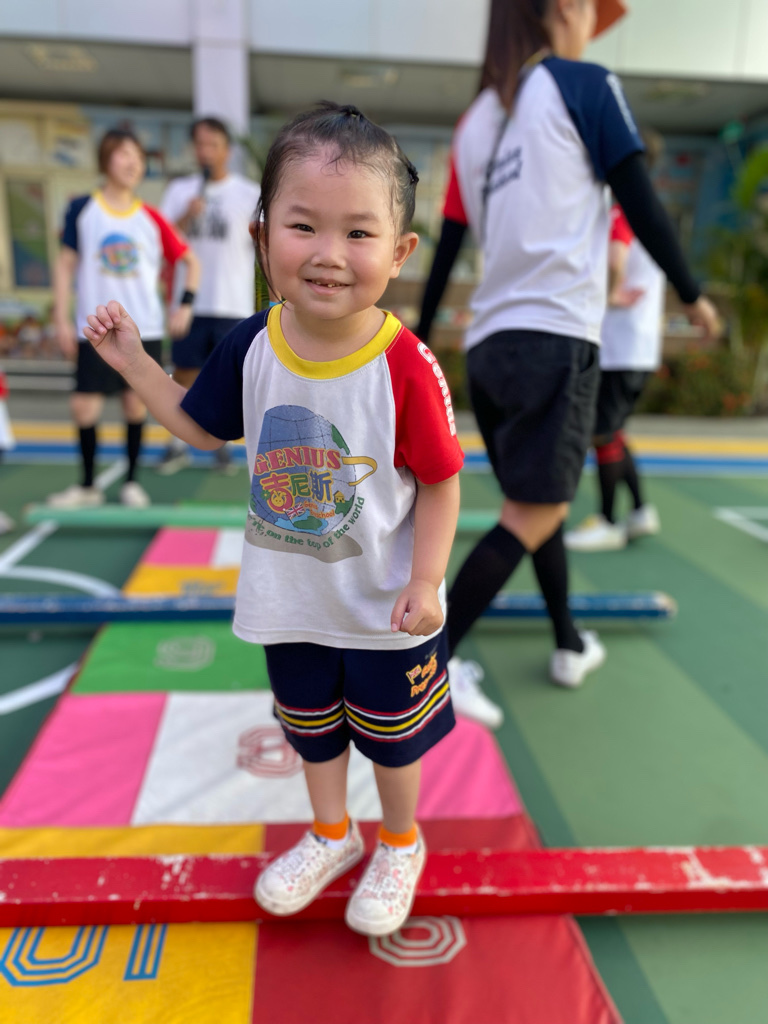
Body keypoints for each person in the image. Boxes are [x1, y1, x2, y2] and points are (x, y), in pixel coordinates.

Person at [82, 103, 463, 937]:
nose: (328, 253)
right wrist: (135, 363)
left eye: (358, 233)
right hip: (290, 601)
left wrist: (428, 581)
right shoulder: (252, 346)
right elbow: (199, 426)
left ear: (400, 253)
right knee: (312, 733)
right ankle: (332, 832)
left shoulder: (404, 365)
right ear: (262, 237)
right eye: (303, 226)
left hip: (385, 610)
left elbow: (441, 482)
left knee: (393, 741)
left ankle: (400, 842)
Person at [416, 0, 719, 693]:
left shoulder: (475, 121)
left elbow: (449, 247)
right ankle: (425, 670)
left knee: (535, 499)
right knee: (536, 510)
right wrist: (692, 293)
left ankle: (567, 641)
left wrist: (420, 340)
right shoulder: (583, 84)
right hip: (554, 337)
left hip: (490, 346)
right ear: (566, 6)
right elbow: (639, 199)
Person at [48, 129, 199, 509]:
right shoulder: (82, 209)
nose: (133, 162)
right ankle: (88, 486)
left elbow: (189, 261)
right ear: (106, 159)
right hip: (95, 328)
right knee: (84, 407)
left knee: (135, 405)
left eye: (138, 156)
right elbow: (65, 266)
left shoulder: (152, 217)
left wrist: (185, 304)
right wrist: (61, 318)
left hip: (143, 327)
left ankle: (131, 482)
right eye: (124, 154)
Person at [566, 133, 666, 551]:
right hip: (637, 346)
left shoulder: (623, 208)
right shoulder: (647, 207)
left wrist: (605, 295)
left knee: (603, 432)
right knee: (614, 430)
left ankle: (608, 521)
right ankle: (640, 511)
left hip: (621, 346)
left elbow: (615, 260)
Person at [156, 116, 261, 475]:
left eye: (213, 144)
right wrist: (186, 215)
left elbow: (263, 246)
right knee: (184, 372)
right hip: (190, 303)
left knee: (229, 379)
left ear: (227, 150)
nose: (206, 152)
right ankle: (176, 445)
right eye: (200, 144)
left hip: (233, 303)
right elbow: (162, 242)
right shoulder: (179, 191)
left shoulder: (249, 193)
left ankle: (222, 445)